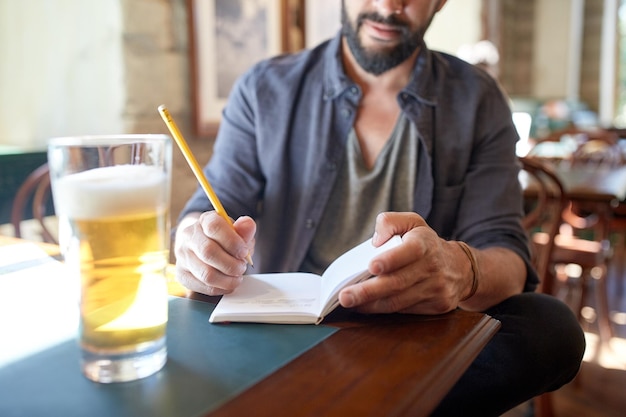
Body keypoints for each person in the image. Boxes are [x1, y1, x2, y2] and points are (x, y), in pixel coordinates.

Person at [175, 0, 585, 415]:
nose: (389, 6)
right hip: (283, 330)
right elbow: (209, 209)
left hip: (414, 338)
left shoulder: (477, 98)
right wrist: (197, 242)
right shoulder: (265, 88)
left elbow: (509, 256)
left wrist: (460, 268)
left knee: (552, 328)